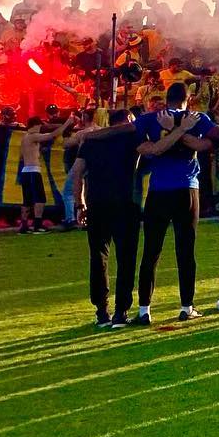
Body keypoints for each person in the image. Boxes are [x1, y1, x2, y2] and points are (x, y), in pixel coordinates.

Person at [133, 82, 215, 323]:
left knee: (151, 251)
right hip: (187, 189)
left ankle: (144, 310)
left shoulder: (148, 120)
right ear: (188, 99)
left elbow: (147, 149)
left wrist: (171, 133)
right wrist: (181, 131)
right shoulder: (196, 118)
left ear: (165, 98)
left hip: (158, 190)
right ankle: (186, 306)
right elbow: (206, 145)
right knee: (186, 250)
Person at [70, 109, 141, 327]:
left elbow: (77, 172)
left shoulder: (91, 141)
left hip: (96, 202)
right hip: (125, 203)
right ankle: (121, 312)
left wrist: (79, 203)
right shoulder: (133, 136)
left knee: (98, 256)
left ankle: (102, 310)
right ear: (128, 120)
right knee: (126, 258)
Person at [17, 113, 73, 233]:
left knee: (27, 200)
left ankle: (24, 226)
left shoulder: (25, 138)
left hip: (26, 170)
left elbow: (21, 156)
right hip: (33, 170)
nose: (40, 128)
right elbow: (52, 135)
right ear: (35, 125)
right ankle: (37, 225)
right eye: (39, 126)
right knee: (40, 199)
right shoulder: (33, 136)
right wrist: (68, 123)